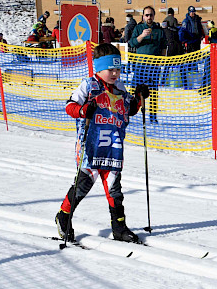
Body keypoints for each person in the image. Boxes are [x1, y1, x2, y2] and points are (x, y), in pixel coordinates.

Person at [55, 43, 150, 243]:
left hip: (112, 147)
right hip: (91, 146)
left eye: (118, 69)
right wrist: (83, 110)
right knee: (83, 186)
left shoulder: (120, 87)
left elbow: (129, 108)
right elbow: (70, 106)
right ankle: (64, 216)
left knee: (114, 189)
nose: (115, 73)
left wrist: (139, 98)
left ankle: (119, 228)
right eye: (111, 69)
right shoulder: (88, 85)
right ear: (99, 68)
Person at [129, 6, 166, 123]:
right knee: (134, 90)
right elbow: (132, 43)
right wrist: (142, 36)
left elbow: (164, 47)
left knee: (154, 92)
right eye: (147, 15)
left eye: (151, 15)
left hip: (154, 67)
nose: (149, 17)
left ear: (154, 16)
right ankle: (129, 112)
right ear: (143, 16)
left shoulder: (159, 30)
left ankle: (153, 117)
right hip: (140, 66)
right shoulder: (139, 28)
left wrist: (161, 62)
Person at [160, 21, 188, 89]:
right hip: (179, 49)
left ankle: (163, 82)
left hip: (171, 48)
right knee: (181, 67)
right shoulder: (178, 29)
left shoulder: (165, 30)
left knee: (167, 66)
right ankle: (185, 84)